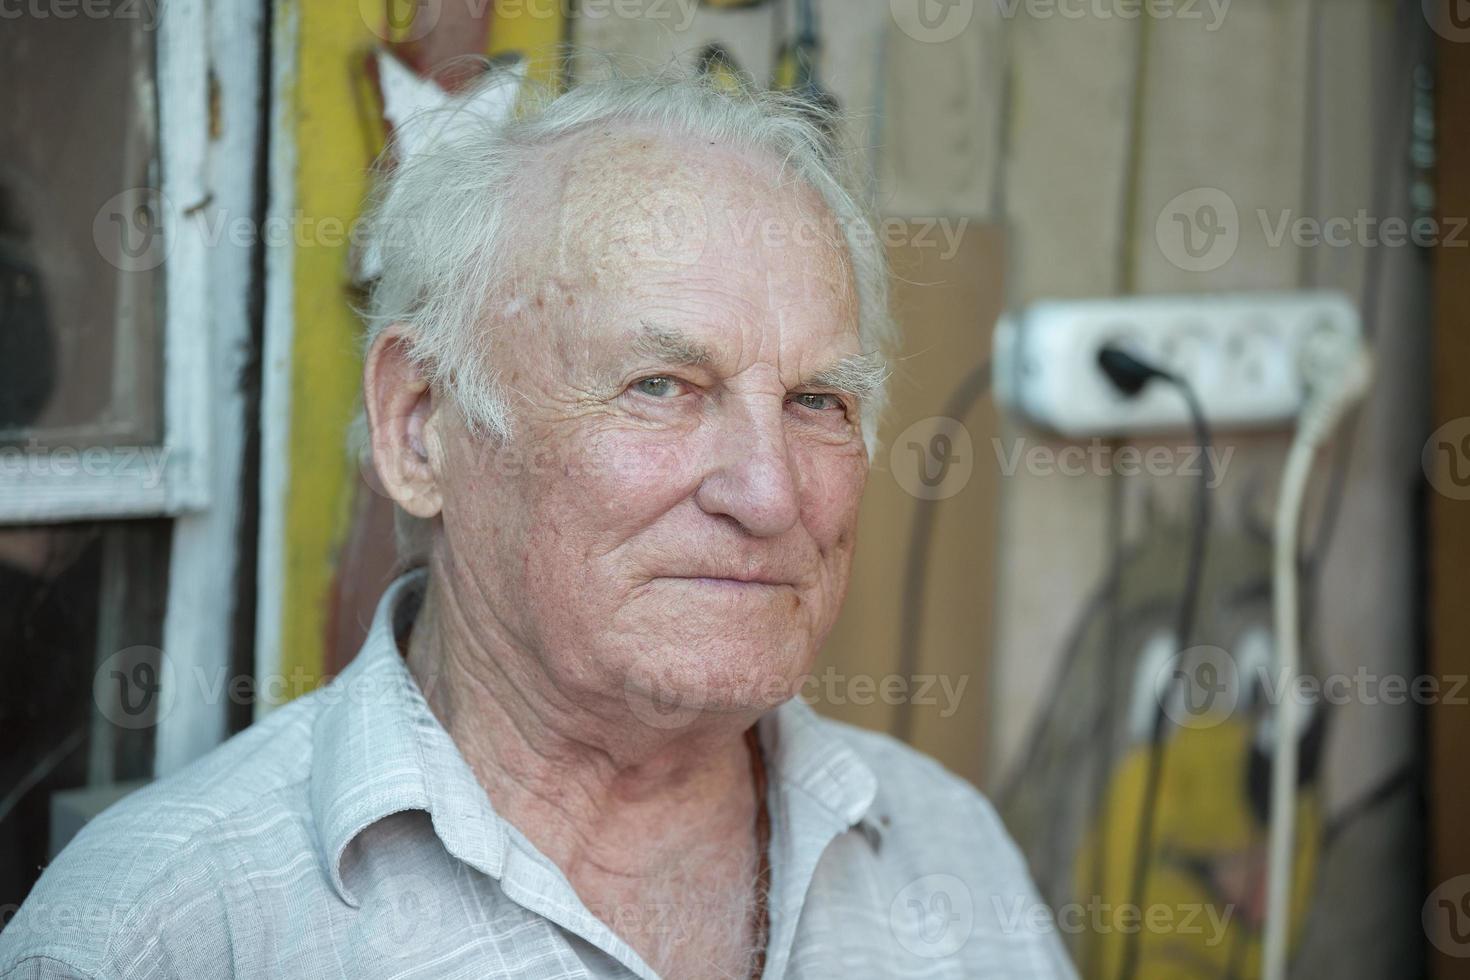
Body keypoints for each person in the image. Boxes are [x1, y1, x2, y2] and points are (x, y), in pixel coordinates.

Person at [0, 69, 1075, 979]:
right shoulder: (166, 928)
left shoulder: (943, 846)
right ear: (421, 429)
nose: (771, 494)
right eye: (661, 385)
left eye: (817, 402)